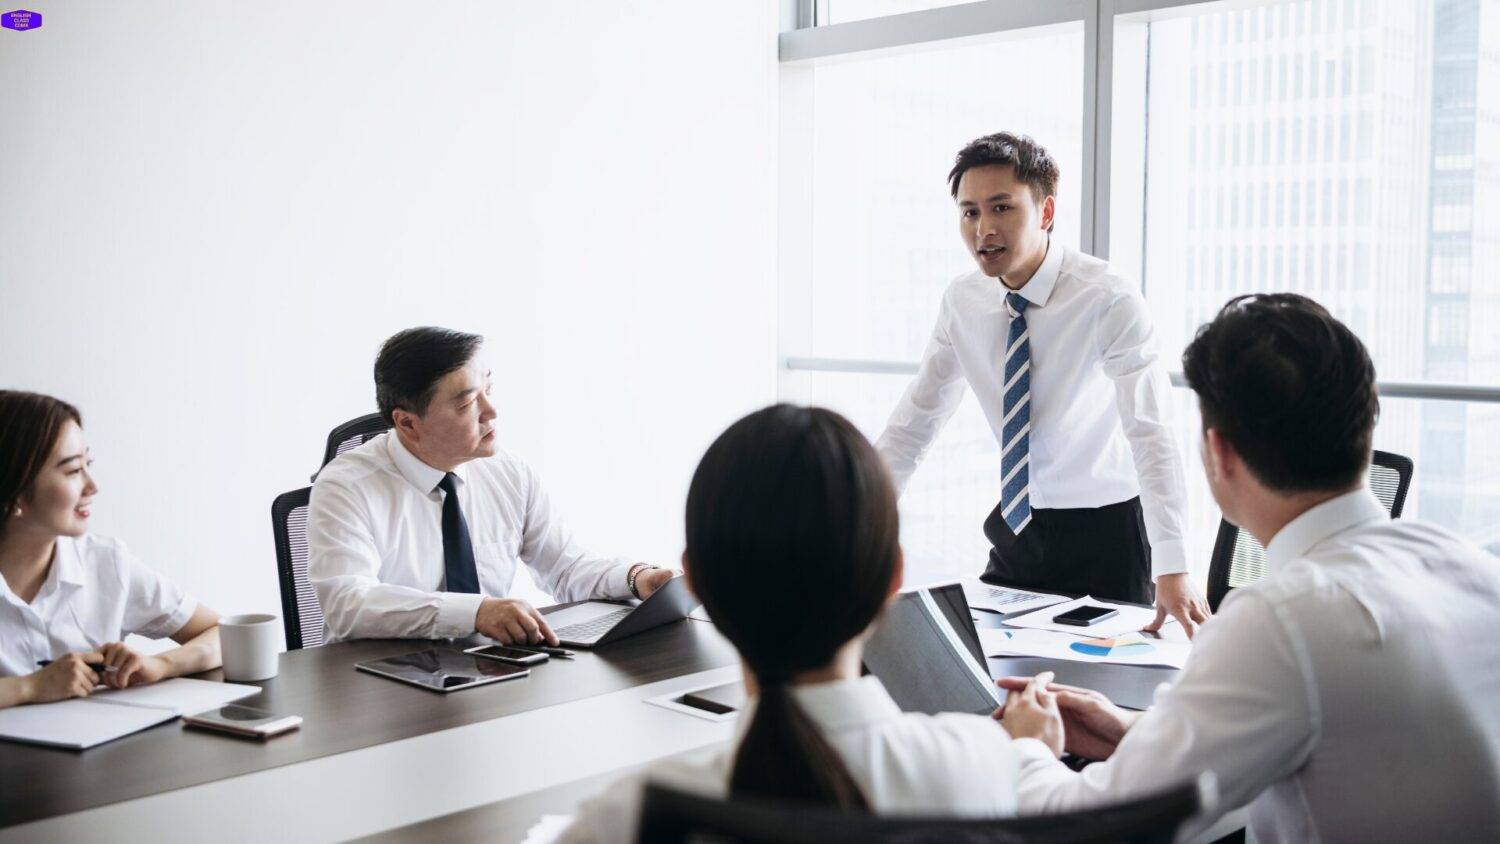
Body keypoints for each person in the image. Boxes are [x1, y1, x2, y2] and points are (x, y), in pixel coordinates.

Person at [1001, 294, 1500, 841]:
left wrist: (1028, 744)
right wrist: (1136, 733)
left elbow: (1088, 827)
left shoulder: (1281, 621)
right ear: (1365, 421)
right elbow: (1347, 739)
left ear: (1220, 452)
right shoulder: (1468, 566)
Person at [559, 404, 1062, 843]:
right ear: (894, 579)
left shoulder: (628, 818)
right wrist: (1031, 752)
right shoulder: (985, 768)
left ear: (698, 584)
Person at [875, 132, 1208, 635]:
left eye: (1001, 207)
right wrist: (856, 520)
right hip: (1017, 528)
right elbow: (914, 425)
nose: (983, 228)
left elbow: (1151, 431)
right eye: (969, 212)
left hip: (1109, 533)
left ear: (1046, 212)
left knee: (1110, 685)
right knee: (986, 670)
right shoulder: (963, 302)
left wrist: (1174, 564)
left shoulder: (1107, 298)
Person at [307, 327, 674, 644]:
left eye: (489, 389)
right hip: (374, 686)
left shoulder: (508, 473)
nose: (491, 411)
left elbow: (564, 567)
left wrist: (636, 577)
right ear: (407, 424)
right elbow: (349, 603)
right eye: (468, 403)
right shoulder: (345, 487)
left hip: (485, 669)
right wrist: (475, 612)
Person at [0, 391, 223, 709]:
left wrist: (159, 665)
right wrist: (29, 688)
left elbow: (225, 634)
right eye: (73, 470)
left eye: (87, 464)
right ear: (15, 494)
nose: (92, 486)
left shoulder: (105, 563)